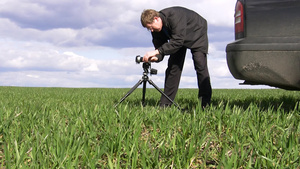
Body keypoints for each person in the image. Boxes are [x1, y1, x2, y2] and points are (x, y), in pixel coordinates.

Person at [140, 6, 212, 109]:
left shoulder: (174, 16)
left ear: (156, 19)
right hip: (179, 38)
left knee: (200, 66)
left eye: (151, 27)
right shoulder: (156, 31)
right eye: (148, 29)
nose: (151, 30)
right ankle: (165, 105)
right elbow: (160, 48)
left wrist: (158, 51)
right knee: (173, 68)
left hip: (197, 32)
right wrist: (157, 57)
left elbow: (177, 41)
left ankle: (205, 105)